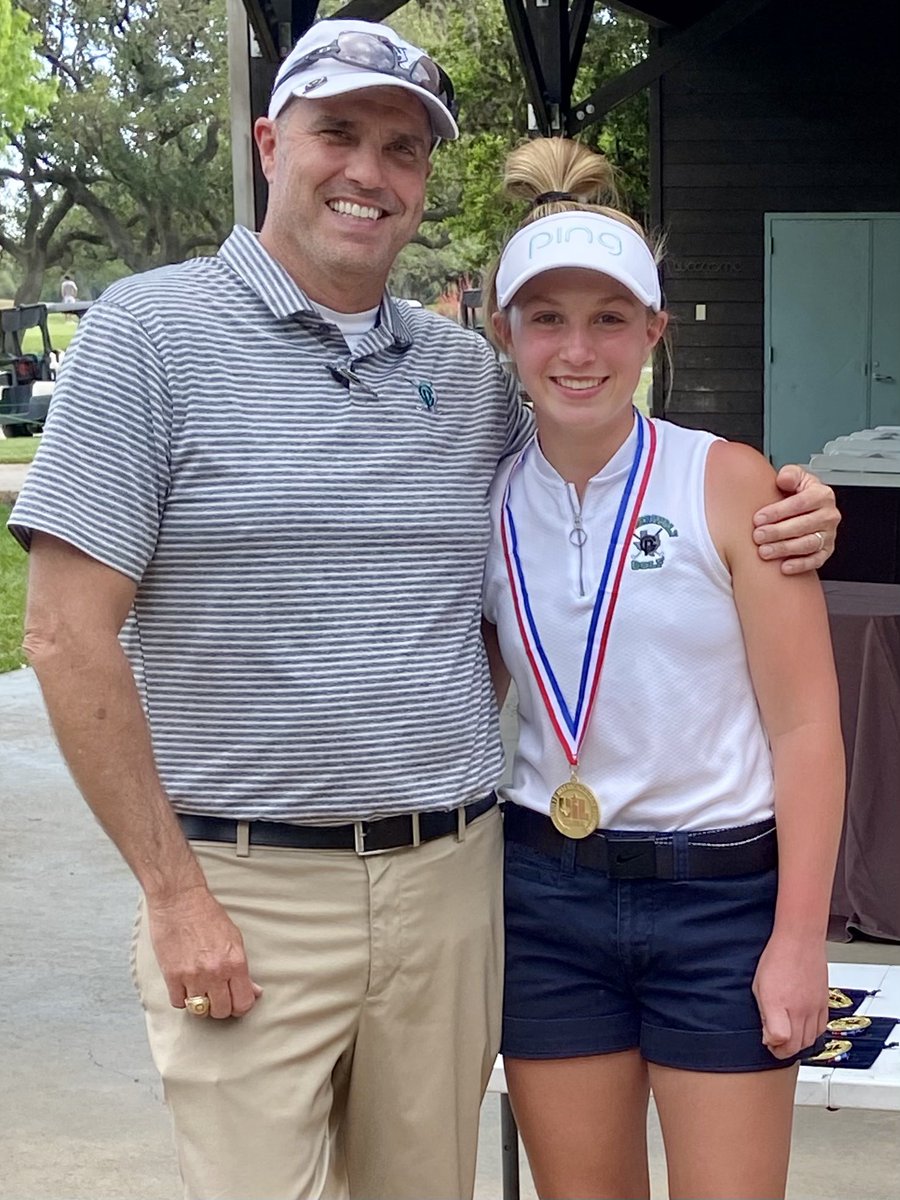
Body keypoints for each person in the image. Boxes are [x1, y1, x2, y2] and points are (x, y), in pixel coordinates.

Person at [8, 18, 838, 1200]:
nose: (368, 172)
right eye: (336, 133)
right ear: (267, 143)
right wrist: (172, 896)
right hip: (253, 890)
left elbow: (569, 528)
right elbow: (62, 635)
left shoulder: (459, 382)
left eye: (402, 149)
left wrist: (797, 502)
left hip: (455, 881)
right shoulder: (149, 336)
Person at [481, 137, 845, 1200]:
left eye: (607, 319)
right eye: (547, 318)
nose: (577, 349)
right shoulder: (483, 495)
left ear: (654, 330)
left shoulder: (728, 483)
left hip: (718, 903)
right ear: (505, 332)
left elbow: (808, 730)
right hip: (547, 896)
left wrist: (798, 940)